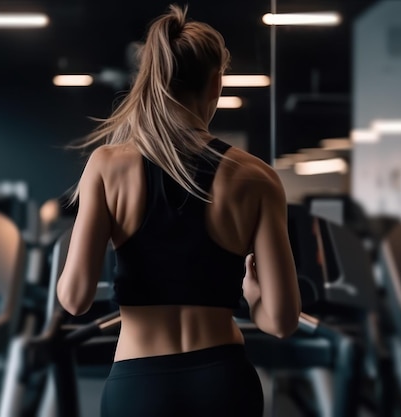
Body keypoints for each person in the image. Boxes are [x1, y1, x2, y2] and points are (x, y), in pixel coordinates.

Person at [57, 4, 301, 416]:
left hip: (139, 384)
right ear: (216, 85)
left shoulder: (107, 164)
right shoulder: (257, 177)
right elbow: (280, 321)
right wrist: (254, 295)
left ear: (152, 81)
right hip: (224, 382)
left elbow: (75, 298)